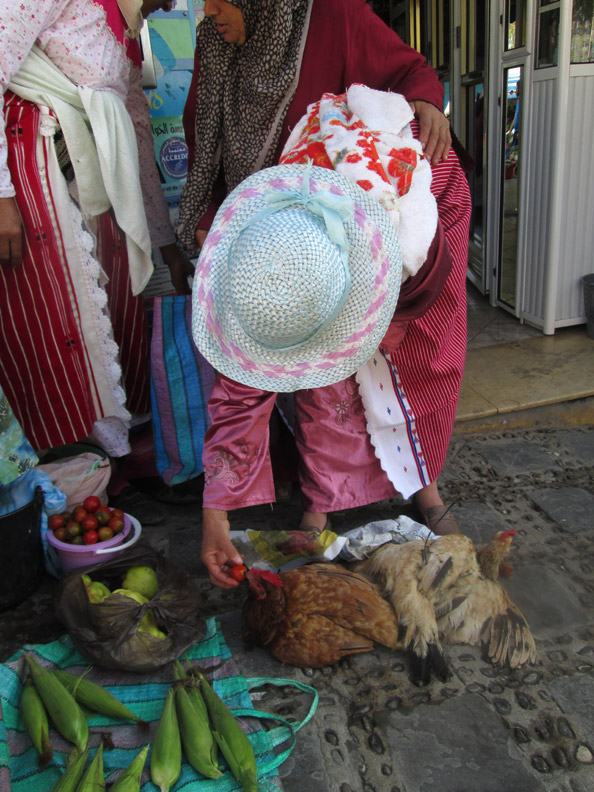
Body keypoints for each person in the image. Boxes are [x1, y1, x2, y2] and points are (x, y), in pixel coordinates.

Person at [178, 0, 471, 587]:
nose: (208, 11)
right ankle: (321, 501)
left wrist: (427, 103)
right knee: (313, 372)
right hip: (277, 218)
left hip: (399, 219)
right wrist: (215, 513)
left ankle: (418, 483)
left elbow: (408, 70)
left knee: (401, 364)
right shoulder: (269, 265)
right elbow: (243, 383)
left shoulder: (409, 207)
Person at [0, 0, 194, 468]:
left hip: (94, 181)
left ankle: (112, 465)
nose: (170, 5)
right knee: (55, 319)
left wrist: (164, 242)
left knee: (113, 312)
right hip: (33, 171)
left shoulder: (124, 29)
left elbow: (138, 131)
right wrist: (2, 195)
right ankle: (66, 472)